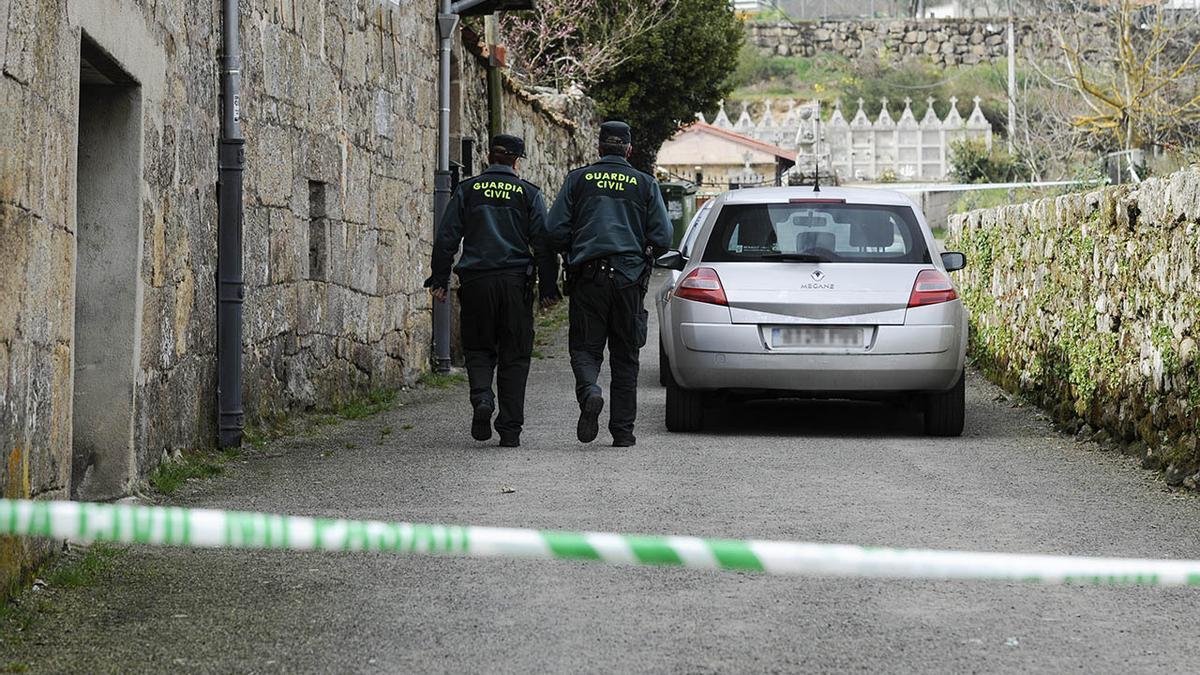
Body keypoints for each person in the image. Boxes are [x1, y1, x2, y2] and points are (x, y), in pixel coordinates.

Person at [424, 134, 558, 447]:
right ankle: (510, 430)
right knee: (515, 354)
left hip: (476, 282)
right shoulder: (528, 193)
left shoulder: (468, 190)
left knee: (477, 347)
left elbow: (447, 237)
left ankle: (483, 398)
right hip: (515, 284)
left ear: (488, 156)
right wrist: (549, 288)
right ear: (517, 161)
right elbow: (544, 243)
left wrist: (440, 279)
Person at [546, 121, 672, 447]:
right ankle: (623, 432)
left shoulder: (578, 180)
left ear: (599, 147)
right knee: (626, 356)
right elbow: (663, 237)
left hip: (588, 278)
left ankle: (590, 390)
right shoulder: (644, 184)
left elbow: (554, 230)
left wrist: (572, 250)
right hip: (629, 280)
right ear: (629, 149)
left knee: (585, 350)